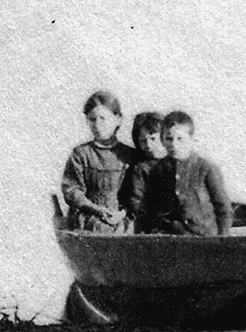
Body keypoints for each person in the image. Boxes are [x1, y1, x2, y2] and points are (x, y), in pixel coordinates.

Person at [136, 109, 231, 237]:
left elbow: (223, 208)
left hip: (203, 240)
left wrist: (223, 241)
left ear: (192, 139)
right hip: (168, 239)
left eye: (180, 138)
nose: (174, 144)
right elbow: (146, 209)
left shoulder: (206, 168)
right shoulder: (158, 170)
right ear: (162, 140)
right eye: (169, 138)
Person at [57, 92, 136, 230]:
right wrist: (96, 210)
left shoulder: (130, 154)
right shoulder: (80, 153)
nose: (98, 124)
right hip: (89, 216)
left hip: (123, 216)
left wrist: (123, 213)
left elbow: (137, 192)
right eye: (92, 119)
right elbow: (71, 190)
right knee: (99, 228)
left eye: (103, 118)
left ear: (118, 119)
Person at [118, 110, 168, 227]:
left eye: (153, 138)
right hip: (152, 223)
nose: (148, 145)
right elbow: (136, 201)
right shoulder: (141, 169)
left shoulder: (178, 163)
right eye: (143, 141)